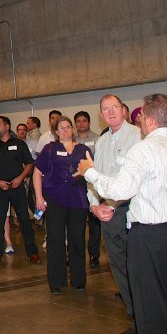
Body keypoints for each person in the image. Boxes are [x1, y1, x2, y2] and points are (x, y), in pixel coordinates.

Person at [77, 93, 167, 334]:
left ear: (149, 121)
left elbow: (120, 189)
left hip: (151, 238)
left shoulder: (143, 150)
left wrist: (90, 172)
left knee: (152, 309)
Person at [86, 94, 142, 334]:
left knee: (139, 269)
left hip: (132, 211)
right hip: (107, 214)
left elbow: (133, 180)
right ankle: (136, 320)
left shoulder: (138, 136)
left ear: (123, 109)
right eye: (105, 109)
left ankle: (149, 322)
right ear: (101, 115)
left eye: (114, 107)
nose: (110, 112)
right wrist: (94, 206)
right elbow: (93, 177)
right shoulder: (101, 141)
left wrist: (113, 204)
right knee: (119, 268)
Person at [32, 117, 90, 294]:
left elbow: (91, 172)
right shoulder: (50, 149)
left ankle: (78, 280)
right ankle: (56, 281)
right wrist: (39, 197)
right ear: (56, 132)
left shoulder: (83, 149)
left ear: (72, 129)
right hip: (55, 199)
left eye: (67, 127)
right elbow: (37, 173)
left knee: (77, 239)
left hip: (78, 200)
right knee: (55, 239)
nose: (65, 131)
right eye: (61, 128)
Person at [0, 115, 39, 265]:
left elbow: (29, 163)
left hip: (17, 187)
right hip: (1, 189)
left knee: (25, 221)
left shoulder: (19, 144)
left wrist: (20, 178)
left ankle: (32, 252)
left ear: (7, 126)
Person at [74, 110, 101, 267]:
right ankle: (75, 255)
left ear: (89, 123)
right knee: (76, 221)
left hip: (93, 185)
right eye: (78, 121)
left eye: (84, 121)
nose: (81, 123)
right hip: (76, 185)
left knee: (94, 222)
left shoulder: (98, 139)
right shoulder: (72, 141)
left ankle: (94, 254)